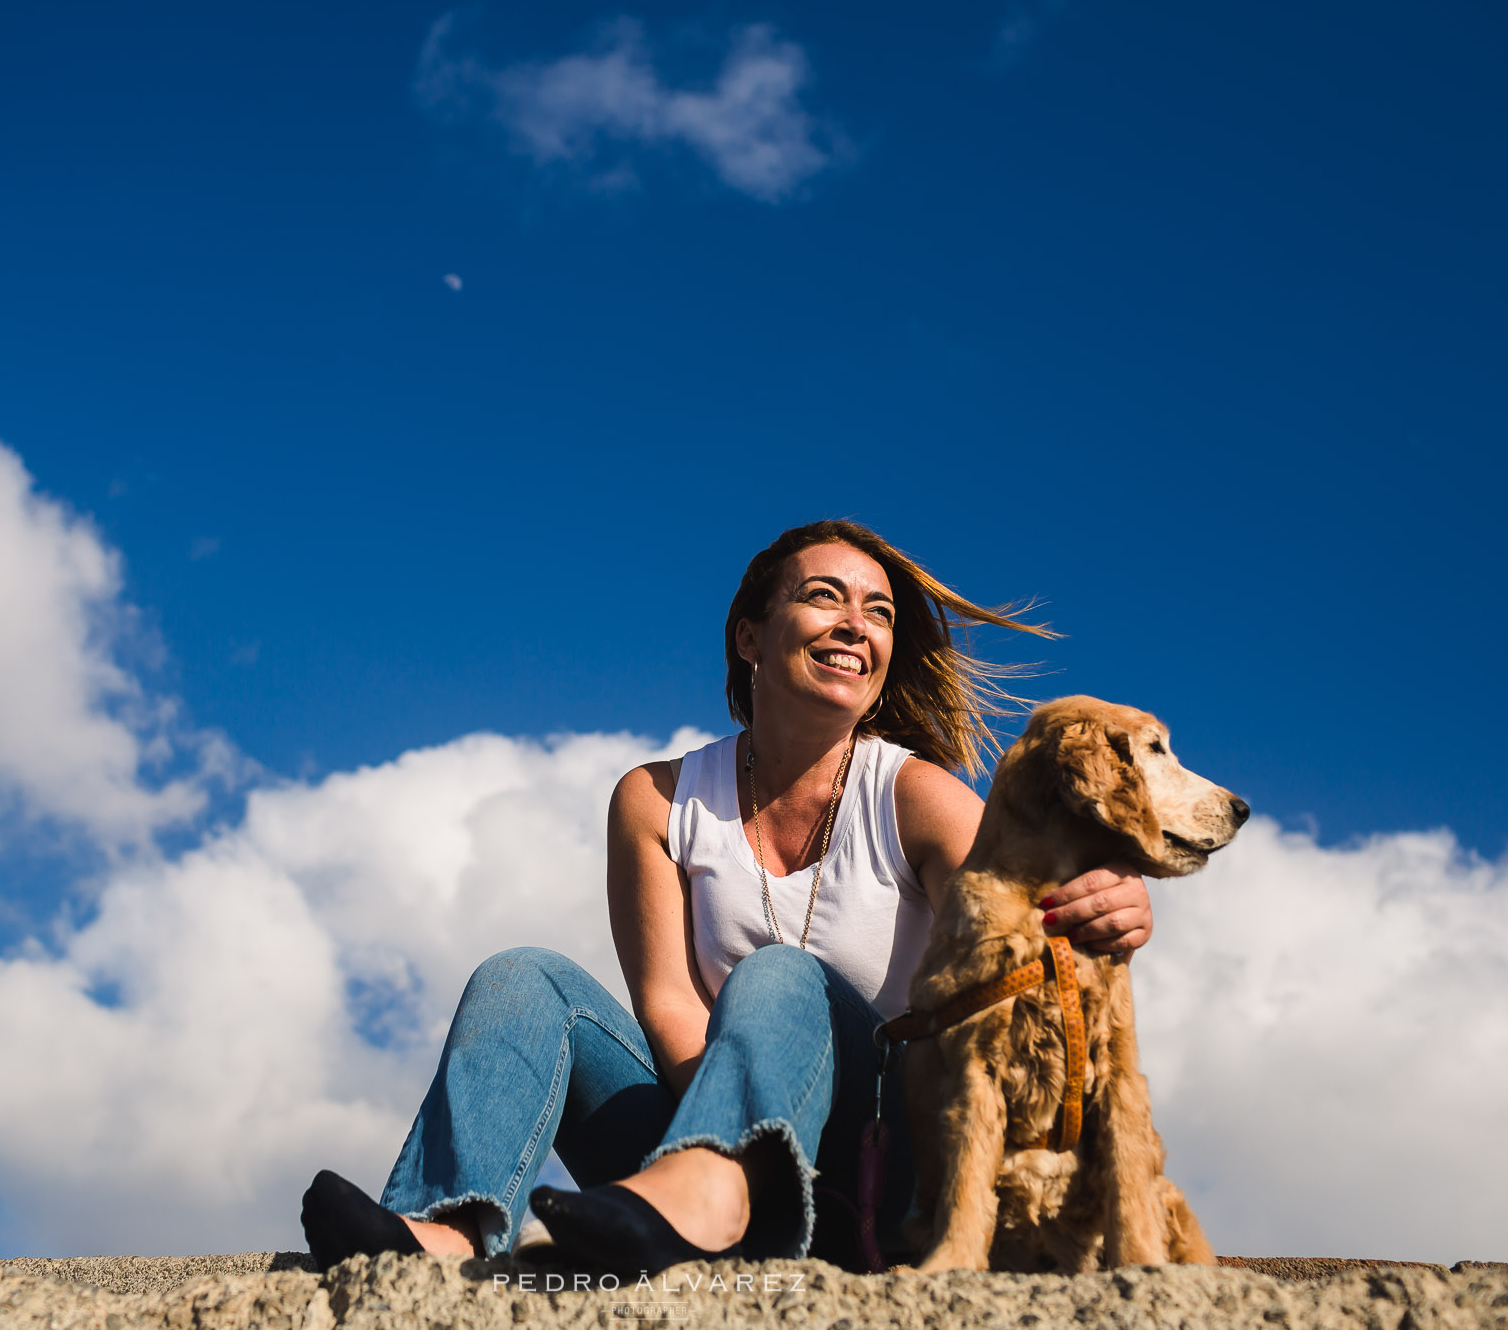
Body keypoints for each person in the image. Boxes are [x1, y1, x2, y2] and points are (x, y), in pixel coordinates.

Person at [300, 520, 1155, 1274]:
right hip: (691, 1138)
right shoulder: (658, 798)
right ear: (750, 638)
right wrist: (734, 1116)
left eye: (880, 612)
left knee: (784, 974)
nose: (857, 625)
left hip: (884, 1161)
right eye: (826, 597)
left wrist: (1112, 900)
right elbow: (669, 1001)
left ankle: (705, 1190)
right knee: (523, 976)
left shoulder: (917, 797)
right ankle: (451, 1226)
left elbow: (1031, 929)